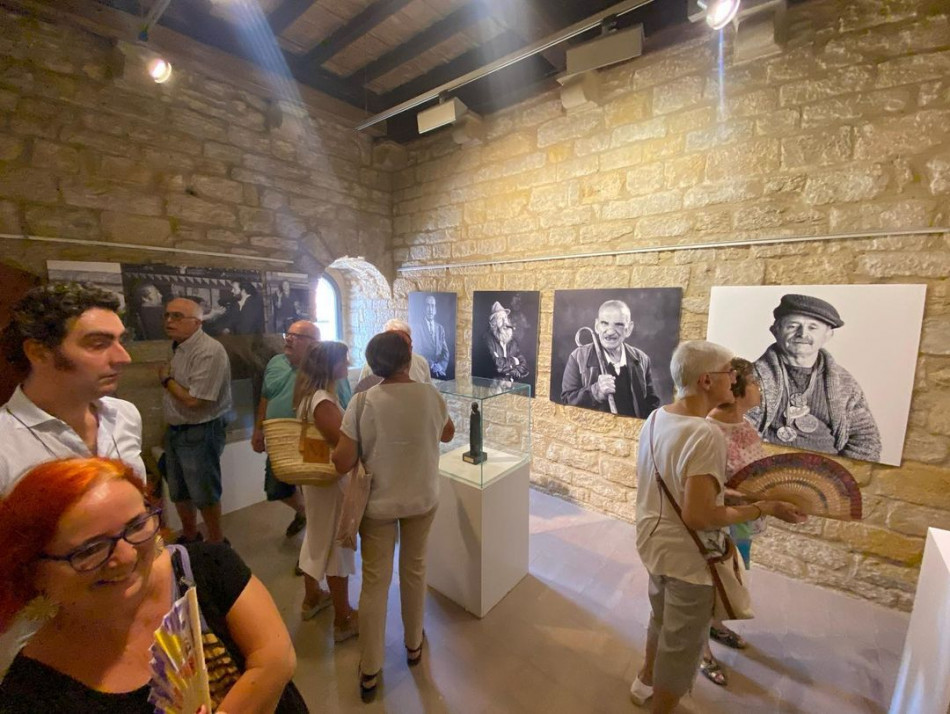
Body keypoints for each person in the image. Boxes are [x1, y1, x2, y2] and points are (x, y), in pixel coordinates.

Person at [0, 457, 304, 712]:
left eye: (136, 526)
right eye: (90, 550)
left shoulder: (204, 568)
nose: (127, 555)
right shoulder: (30, 692)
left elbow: (276, 657)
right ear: (34, 571)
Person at [631, 340, 806, 713]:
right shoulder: (704, 433)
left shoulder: (657, 416)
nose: (735, 379)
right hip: (686, 559)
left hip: (653, 545)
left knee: (660, 619)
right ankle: (662, 706)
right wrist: (762, 508)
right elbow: (700, 515)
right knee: (683, 642)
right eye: (730, 372)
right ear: (707, 380)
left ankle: (644, 680)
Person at [0, 282, 145, 675]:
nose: (123, 357)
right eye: (98, 344)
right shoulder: (5, 445)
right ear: (39, 352)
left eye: (121, 340)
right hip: (48, 645)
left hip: (137, 617)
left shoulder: (124, 416)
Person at [333, 331, 454, 699]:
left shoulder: (362, 400)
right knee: (415, 570)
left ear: (373, 364)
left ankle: (370, 668)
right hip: (421, 498)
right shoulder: (431, 395)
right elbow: (447, 434)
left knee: (375, 582)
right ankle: (414, 645)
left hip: (378, 505)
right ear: (409, 358)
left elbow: (343, 460)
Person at [699, 358, 768, 687]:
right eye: (755, 384)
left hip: (743, 521)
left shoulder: (744, 424)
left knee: (731, 576)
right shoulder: (710, 431)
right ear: (738, 390)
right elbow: (703, 486)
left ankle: (715, 624)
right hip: (719, 522)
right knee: (708, 581)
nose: (759, 390)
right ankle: (700, 649)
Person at [748, 293, 881, 461]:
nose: (802, 334)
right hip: (767, 469)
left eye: (813, 327)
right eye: (792, 326)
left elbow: (866, 439)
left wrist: (839, 472)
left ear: (827, 335)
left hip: (826, 474)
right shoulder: (751, 377)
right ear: (775, 330)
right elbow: (739, 428)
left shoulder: (845, 383)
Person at [292, 341, 359, 641]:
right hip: (331, 482)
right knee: (336, 545)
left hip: (317, 480)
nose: (348, 363)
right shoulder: (322, 402)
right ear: (331, 365)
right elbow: (342, 443)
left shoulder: (310, 397)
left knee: (317, 538)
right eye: (343, 360)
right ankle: (343, 618)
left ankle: (312, 597)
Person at [159, 297, 232, 544]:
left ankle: (216, 543)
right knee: (179, 489)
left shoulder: (209, 351)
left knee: (204, 491)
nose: (170, 321)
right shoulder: (180, 346)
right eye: (167, 315)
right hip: (178, 428)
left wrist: (165, 380)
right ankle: (190, 535)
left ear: (197, 322)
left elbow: (196, 401)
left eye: (177, 316)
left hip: (200, 430)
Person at [251, 321, 319, 539]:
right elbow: (265, 396)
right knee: (276, 488)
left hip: (312, 441)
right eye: (288, 334)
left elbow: (341, 406)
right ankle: (305, 513)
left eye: (296, 336)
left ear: (313, 344)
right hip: (279, 439)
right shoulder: (275, 363)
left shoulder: (323, 368)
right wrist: (258, 429)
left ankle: (312, 554)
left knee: (314, 492)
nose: (288, 339)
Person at [561, 299, 660, 417]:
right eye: (604, 323)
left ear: (628, 329)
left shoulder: (642, 359)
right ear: (597, 326)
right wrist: (596, 392)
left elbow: (651, 404)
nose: (610, 331)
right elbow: (566, 402)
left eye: (618, 324)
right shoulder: (577, 357)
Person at [358, 318, 432, 384]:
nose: (397, 344)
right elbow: (361, 392)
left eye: (402, 340)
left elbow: (428, 391)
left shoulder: (421, 362)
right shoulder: (370, 366)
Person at [482, 300, 529, 381]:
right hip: (493, 387)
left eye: (505, 318)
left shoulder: (512, 341)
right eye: (500, 319)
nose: (505, 322)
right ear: (493, 323)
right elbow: (496, 365)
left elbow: (524, 367)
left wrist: (511, 372)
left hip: (510, 386)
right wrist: (514, 361)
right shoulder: (487, 339)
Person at [413, 295, 450, 380]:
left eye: (432, 306)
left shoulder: (440, 328)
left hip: (439, 373)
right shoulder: (417, 327)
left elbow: (446, 353)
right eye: (427, 305)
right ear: (424, 309)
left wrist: (440, 366)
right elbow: (417, 352)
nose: (430, 309)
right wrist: (432, 365)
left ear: (435, 310)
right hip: (423, 373)